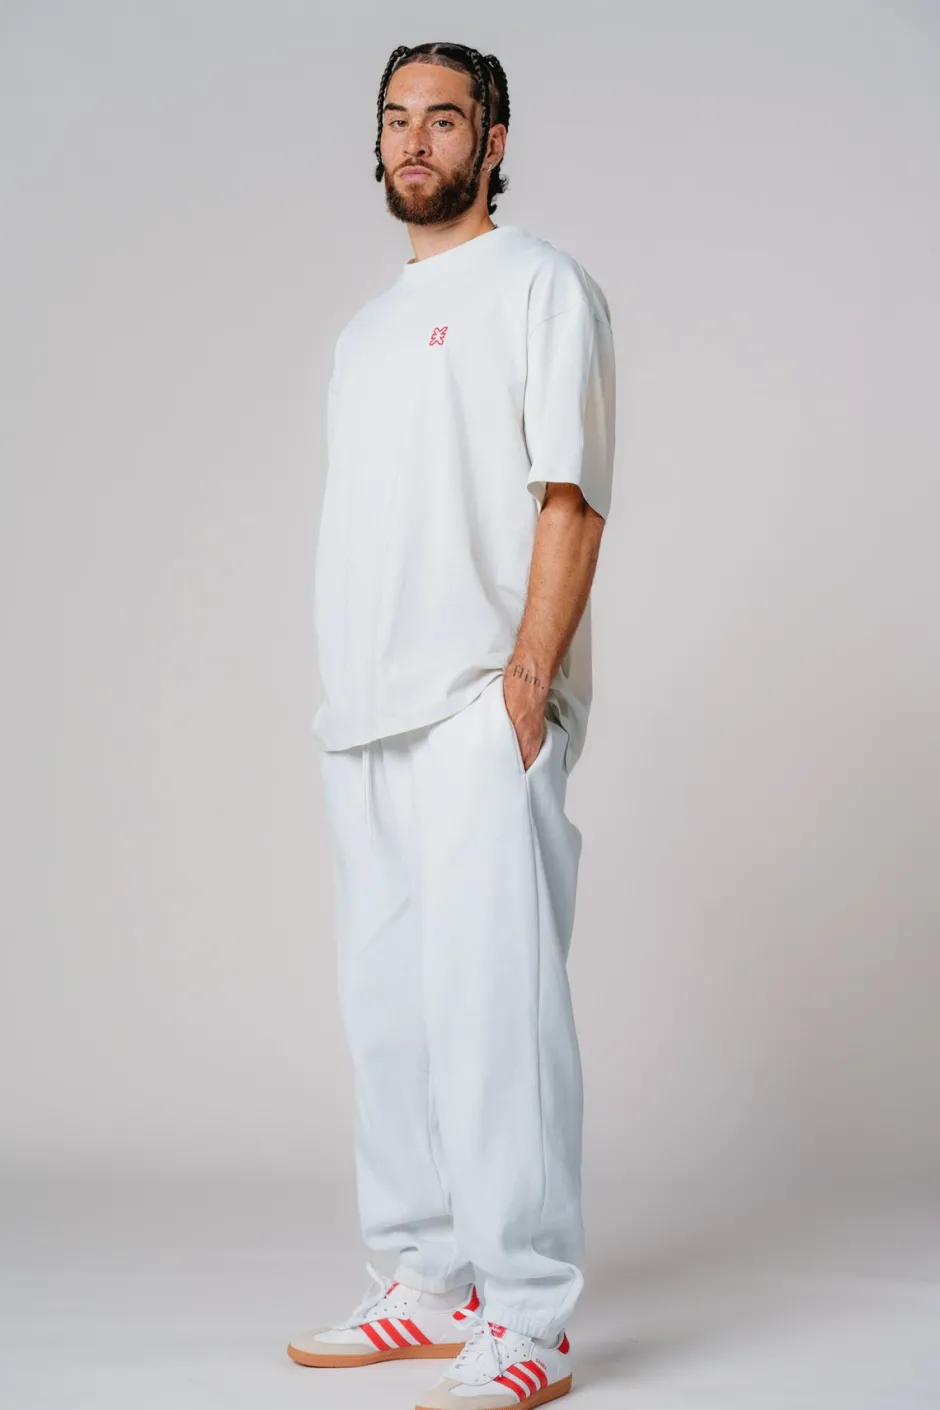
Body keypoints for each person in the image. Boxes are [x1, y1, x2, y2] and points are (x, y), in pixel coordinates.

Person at [287, 39, 616, 1410]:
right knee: (391, 1021)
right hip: (362, 715)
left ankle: (529, 1316)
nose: (415, 140)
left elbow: (570, 490)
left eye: (444, 118)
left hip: (481, 705)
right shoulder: (366, 331)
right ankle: (425, 1282)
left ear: (493, 141)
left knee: (496, 1019)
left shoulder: (541, 285)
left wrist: (527, 684)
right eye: (396, 118)